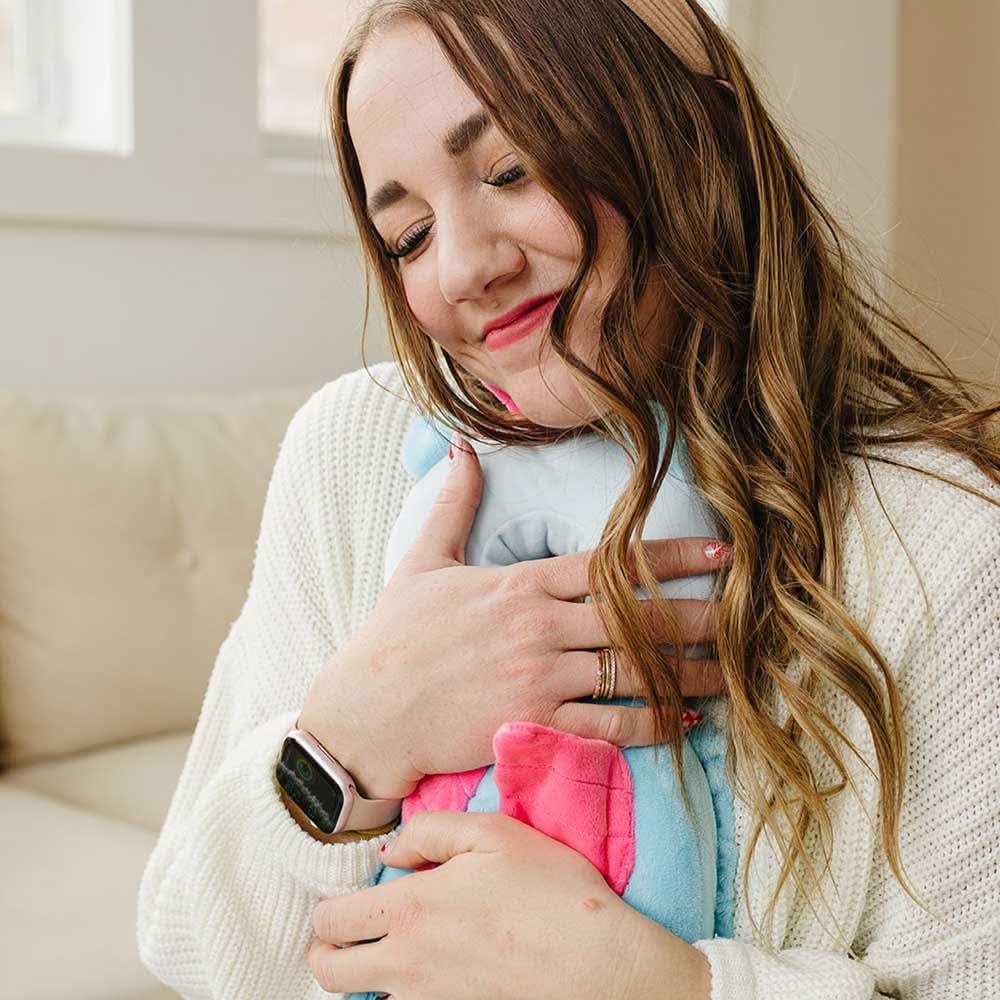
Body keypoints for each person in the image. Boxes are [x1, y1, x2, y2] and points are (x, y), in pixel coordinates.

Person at [137, 1, 1000, 998]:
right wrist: (347, 740)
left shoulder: (946, 549)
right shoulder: (355, 453)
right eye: (408, 235)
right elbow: (191, 950)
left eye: (511, 169)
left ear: (692, 145)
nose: (461, 267)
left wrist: (655, 982)